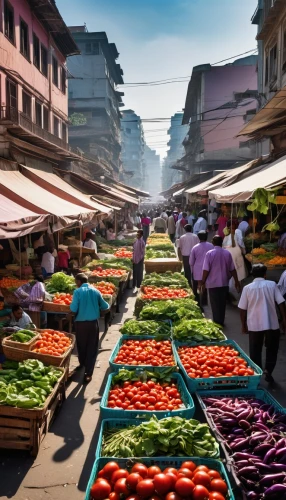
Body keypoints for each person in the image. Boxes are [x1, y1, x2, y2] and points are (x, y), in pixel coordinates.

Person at [238, 264, 286, 384]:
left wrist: (243, 324)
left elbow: (242, 309)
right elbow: (281, 303)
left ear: (252, 275)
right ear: (265, 274)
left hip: (254, 324)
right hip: (271, 323)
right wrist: (284, 320)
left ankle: (257, 372)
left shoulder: (247, 288)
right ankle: (268, 371)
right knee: (272, 348)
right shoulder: (272, 285)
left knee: (255, 350)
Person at [70, 273, 109, 383]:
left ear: (78, 281)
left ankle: (82, 363)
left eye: (75, 281)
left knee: (81, 345)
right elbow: (105, 306)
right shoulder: (95, 291)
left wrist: (70, 312)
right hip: (93, 323)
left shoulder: (77, 292)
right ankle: (88, 373)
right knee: (92, 347)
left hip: (80, 324)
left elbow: (73, 308)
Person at [201, 235, 240, 326]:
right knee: (222, 303)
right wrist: (237, 281)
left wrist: (203, 282)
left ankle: (216, 321)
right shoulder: (227, 253)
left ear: (213, 243)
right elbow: (232, 269)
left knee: (214, 303)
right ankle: (221, 320)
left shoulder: (209, 253)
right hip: (224, 282)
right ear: (221, 243)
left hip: (212, 283)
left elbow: (206, 269)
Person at [190, 230, 213, 305]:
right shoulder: (211, 246)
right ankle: (204, 301)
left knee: (199, 285)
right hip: (208, 269)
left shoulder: (195, 247)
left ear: (198, 238)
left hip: (198, 269)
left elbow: (191, 262)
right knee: (205, 285)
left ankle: (198, 301)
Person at [223, 220, 247, 286]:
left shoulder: (226, 233)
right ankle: (238, 283)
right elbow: (240, 242)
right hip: (236, 251)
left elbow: (224, 245)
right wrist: (244, 250)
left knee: (231, 268)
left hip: (228, 252)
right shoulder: (237, 231)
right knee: (239, 269)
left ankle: (232, 285)